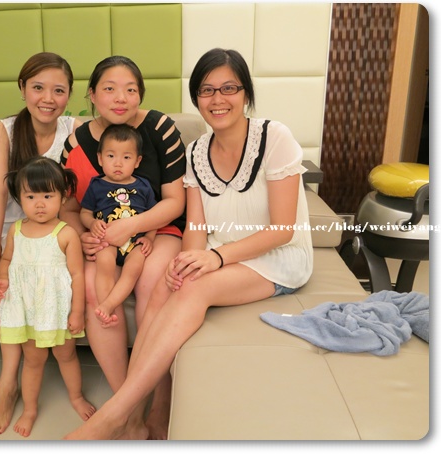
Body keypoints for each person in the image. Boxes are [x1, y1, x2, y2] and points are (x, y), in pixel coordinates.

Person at [64, 48, 314, 440]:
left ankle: (116, 417)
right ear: (197, 97)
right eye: (207, 90)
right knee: (167, 282)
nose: (218, 99)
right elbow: (195, 224)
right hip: (217, 252)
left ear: (246, 93)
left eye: (229, 88)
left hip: (275, 257)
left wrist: (214, 258)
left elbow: (283, 230)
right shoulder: (197, 151)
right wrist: (190, 258)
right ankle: (144, 414)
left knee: (194, 286)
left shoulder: (274, 137)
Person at [0, 52, 81, 439]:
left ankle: (8, 386)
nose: (48, 98)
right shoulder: (4, 130)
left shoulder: (75, 130)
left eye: (58, 90)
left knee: (10, 288)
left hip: (44, 223)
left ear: (70, 94)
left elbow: (73, 196)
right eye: (38, 87)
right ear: (22, 88)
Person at [60, 55, 186, 439]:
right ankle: (127, 410)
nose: (121, 98)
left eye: (131, 90)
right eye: (110, 89)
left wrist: (132, 226)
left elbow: (174, 201)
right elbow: (68, 208)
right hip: (103, 237)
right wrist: (82, 232)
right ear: (91, 94)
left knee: (151, 280)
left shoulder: (160, 127)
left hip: (156, 230)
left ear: (140, 95)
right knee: (89, 285)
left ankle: (160, 403)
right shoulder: (76, 143)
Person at [0, 156, 95, 438]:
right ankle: (29, 409)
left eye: (48, 196)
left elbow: (77, 275)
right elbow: (7, 260)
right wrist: (1, 279)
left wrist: (77, 312)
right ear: (19, 198)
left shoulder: (66, 234)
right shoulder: (16, 230)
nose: (39, 204)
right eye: (31, 196)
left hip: (57, 311)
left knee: (66, 356)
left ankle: (76, 397)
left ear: (63, 197)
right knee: (33, 361)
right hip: (28, 310)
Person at [80, 124, 157, 325]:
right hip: (107, 241)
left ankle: (109, 305)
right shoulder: (96, 185)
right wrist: (92, 223)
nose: (118, 163)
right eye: (111, 156)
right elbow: (85, 212)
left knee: (134, 269)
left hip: (135, 243)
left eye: (126, 157)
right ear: (100, 158)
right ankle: (105, 306)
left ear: (137, 161)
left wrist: (149, 238)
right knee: (104, 263)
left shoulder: (144, 186)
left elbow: (153, 216)